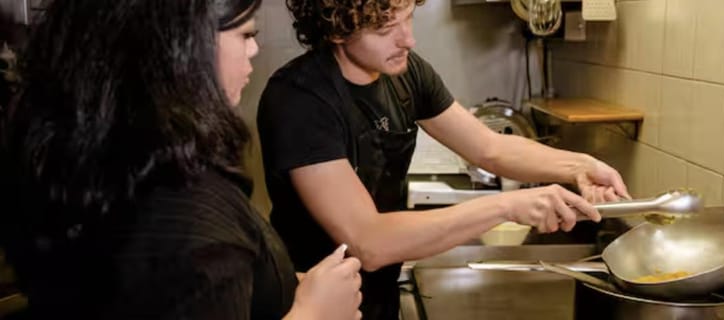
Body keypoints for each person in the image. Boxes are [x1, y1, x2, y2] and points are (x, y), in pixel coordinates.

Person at [257, 0, 631, 318]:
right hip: (318, 306)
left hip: (380, 297)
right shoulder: (299, 100)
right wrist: (506, 206)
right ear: (337, 28)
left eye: (409, 17)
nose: (408, 39)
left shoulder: (407, 72)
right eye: (387, 27)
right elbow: (368, 242)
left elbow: (489, 148)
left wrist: (581, 166)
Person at [0, 1, 362, 319]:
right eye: (244, 34)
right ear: (181, 46)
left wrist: (281, 285)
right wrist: (315, 313)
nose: (253, 49)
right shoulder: (185, 212)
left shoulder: (102, 156)